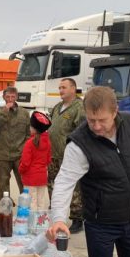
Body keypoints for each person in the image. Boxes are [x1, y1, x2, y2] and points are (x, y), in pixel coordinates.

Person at [47, 87, 130, 257]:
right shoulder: (79, 144)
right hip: (101, 223)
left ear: (115, 112)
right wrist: (59, 218)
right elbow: (64, 182)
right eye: (91, 120)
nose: (96, 126)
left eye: (102, 120)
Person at [47, 78, 86, 233]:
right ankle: (57, 215)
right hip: (53, 154)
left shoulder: (79, 107)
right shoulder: (57, 107)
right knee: (53, 185)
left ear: (73, 88)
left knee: (74, 188)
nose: (61, 90)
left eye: (64, 87)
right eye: (60, 88)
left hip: (68, 156)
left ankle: (77, 218)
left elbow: (82, 131)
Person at [0, 86, 30, 199]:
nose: (10, 99)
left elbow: (28, 134)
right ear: (3, 97)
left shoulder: (24, 113)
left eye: (13, 97)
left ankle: (25, 203)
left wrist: (25, 151)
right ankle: (6, 204)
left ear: (17, 97)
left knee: (24, 182)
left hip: (20, 155)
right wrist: (5, 111)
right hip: (3, 155)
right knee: (3, 184)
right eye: (8, 97)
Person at [19, 111, 52, 211]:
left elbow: (25, 163)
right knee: (40, 202)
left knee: (31, 202)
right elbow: (48, 160)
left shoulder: (30, 143)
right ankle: (40, 220)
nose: (29, 128)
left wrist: (20, 170)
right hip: (42, 177)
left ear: (34, 129)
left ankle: (32, 221)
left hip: (30, 178)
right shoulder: (48, 142)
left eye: (31, 126)